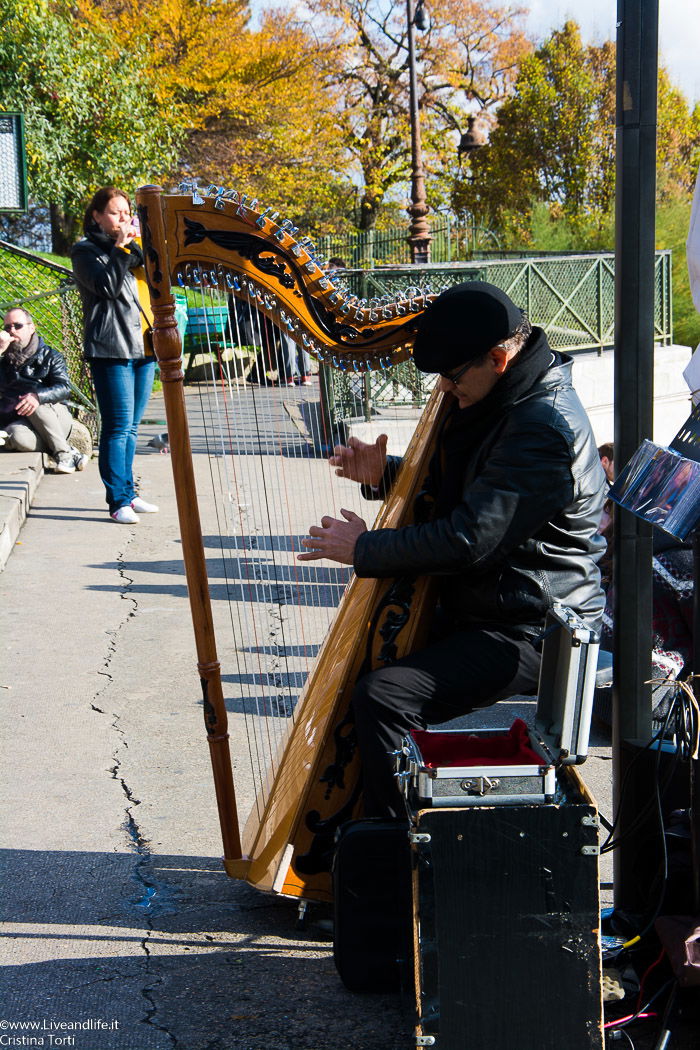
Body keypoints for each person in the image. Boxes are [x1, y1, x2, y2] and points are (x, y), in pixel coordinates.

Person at [298, 281, 607, 818]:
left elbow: (469, 539)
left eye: (453, 375)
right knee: (366, 658)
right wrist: (387, 477)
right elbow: (476, 495)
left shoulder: (542, 426)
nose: (443, 389)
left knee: (383, 696)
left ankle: (402, 864)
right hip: (492, 604)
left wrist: (365, 548)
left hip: (533, 625)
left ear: (497, 356)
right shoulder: (510, 396)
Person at [71, 187, 158, 524]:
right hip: (111, 349)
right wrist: (121, 247)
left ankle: (130, 494)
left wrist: (135, 246)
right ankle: (117, 500)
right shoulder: (85, 251)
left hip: (143, 347)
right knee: (117, 427)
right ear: (96, 216)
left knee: (133, 428)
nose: (123, 217)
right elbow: (105, 287)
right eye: (114, 212)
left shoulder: (131, 250)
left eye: (126, 212)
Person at [0, 307, 88, 473]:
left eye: (17, 326)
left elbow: (64, 388)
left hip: (53, 416)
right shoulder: (4, 361)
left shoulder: (50, 356)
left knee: (33, 400)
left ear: (31, 328)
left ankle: (64, 456)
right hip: (22, 423)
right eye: (7, 327)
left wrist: (38, 396)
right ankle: (67, 451)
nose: (12, 331)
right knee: (14, 435)